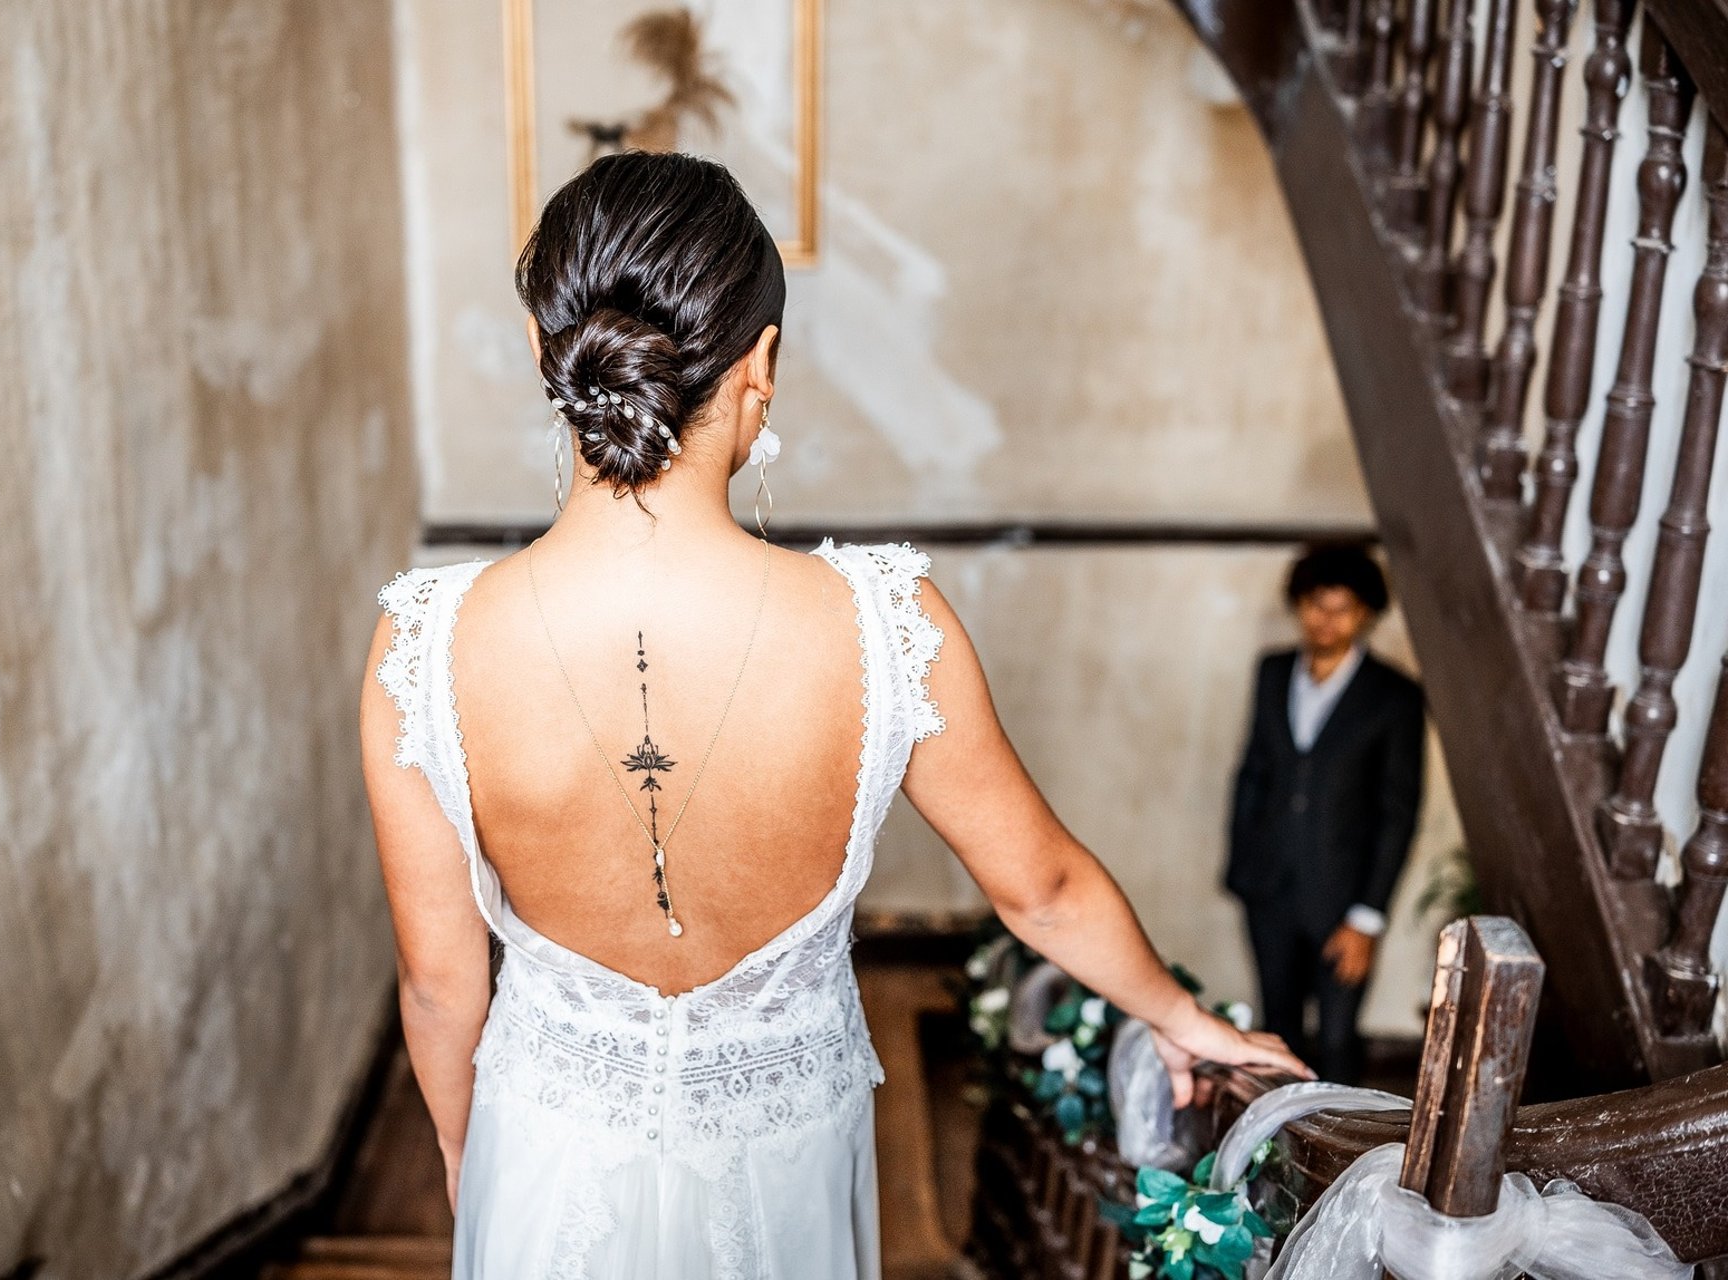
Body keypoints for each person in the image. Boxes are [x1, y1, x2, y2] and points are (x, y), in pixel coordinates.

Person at [360, 151, 1307, 1278]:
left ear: (541, 349)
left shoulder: (422, 642)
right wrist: (1179, 1018)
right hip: (786, 1163)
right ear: (761, 364)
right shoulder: (885, 624)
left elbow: (439, 983)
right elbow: (1041, 890)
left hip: (544, 1155)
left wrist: (468, 1157)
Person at [1225, 544, 1426, 1085]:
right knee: (1278, 1029)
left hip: (1343, 900)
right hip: (1268, 888)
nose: (1327, 620)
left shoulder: (1395, 696)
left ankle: (1336, 1137)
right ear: (1299, 604)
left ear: (1366, 614)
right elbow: (1253, 772)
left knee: (1337, 1037)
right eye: (1317, 604)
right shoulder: (1272, 673)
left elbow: (1398, 811)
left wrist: (1367, 917)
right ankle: (1278, 1134)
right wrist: (1243, 868)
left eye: (1343, 608)